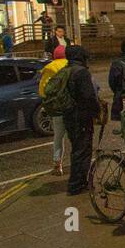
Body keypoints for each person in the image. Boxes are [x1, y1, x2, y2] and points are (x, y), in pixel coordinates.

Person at [62, 45, 98, 195]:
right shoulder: (81, 73)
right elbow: (88, 96)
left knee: (77, 148)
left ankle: (77, 181)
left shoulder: (66, 70)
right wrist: (96, 111)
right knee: (82, 150)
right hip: (81, 116)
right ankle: (77, 184)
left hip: (69, 115)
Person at [40, 44, 70, 175]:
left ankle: (57, 164)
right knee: (75, 137)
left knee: (58, 137)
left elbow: (42, 91)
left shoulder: (49, 68)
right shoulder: (71, 66)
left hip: (57, 109)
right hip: (71, 107)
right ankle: (77, 164)